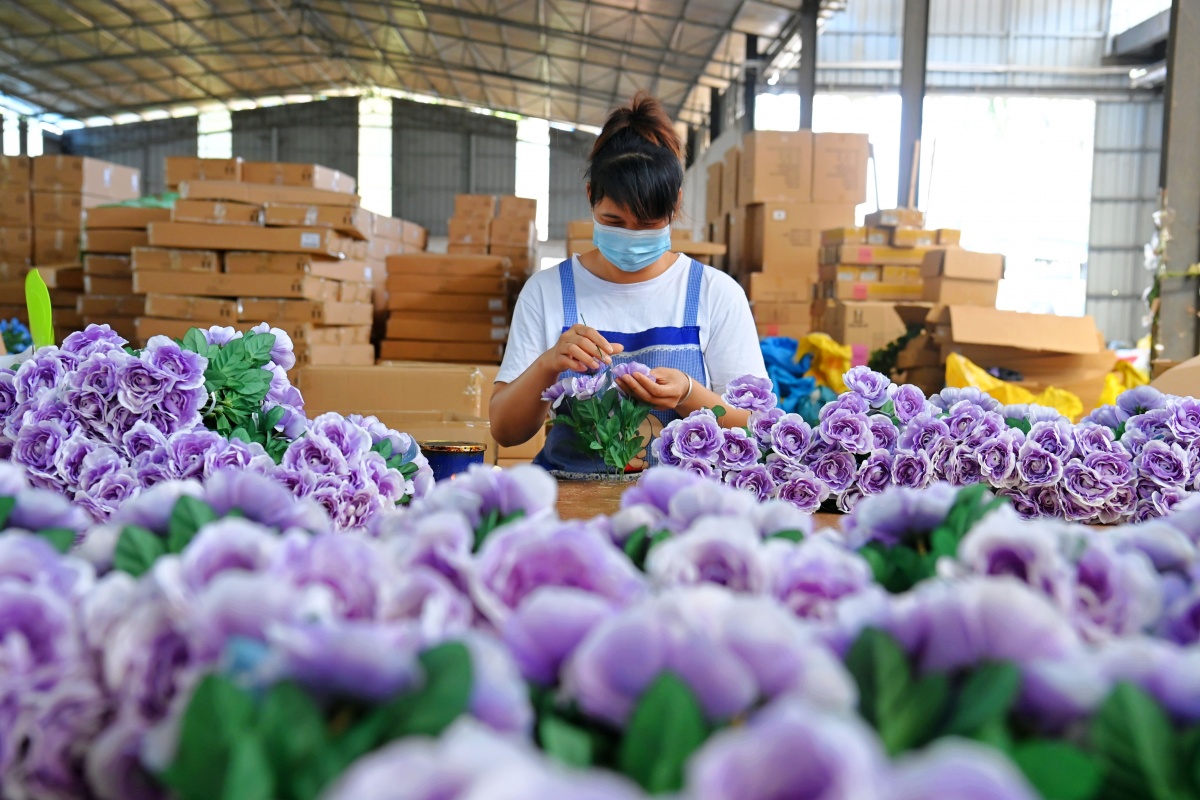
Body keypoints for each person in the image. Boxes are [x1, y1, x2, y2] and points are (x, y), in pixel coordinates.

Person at [490, 92, 769, 473]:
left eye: (649, 225)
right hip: (573, 504)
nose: (632, 237)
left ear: (675, 204)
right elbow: (506, 432)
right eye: (615, 222)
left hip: (680, 506)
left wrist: (689, 394)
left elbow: (757, 430)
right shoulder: (548, 291)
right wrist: (548, 366)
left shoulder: (714, 293)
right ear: (591, 197)